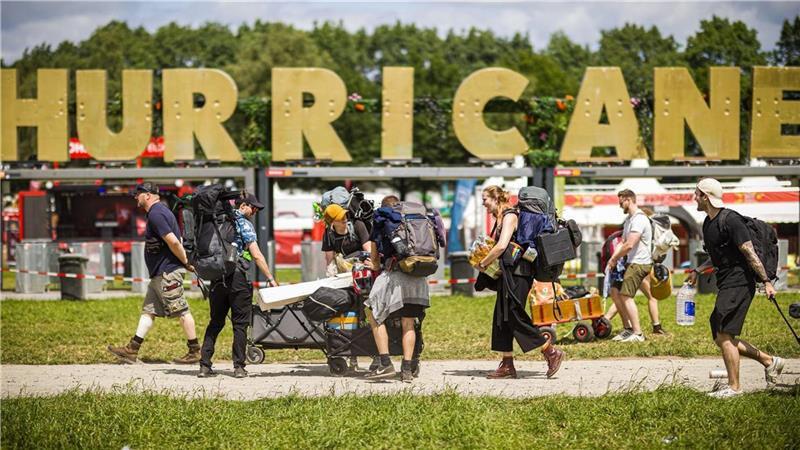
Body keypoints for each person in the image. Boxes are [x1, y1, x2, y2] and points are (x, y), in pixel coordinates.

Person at [689, 178, 783, 398]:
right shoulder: (708, 223)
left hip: (740, 281)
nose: (694, 197)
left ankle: (734, 388)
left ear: (706, 196)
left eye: (696, 193)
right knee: (720, 334)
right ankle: (769, 361)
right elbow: (717, 257)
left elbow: (749, 253)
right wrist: (698, 270)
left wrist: (767, 281)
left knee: (724, 333)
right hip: (726, 281)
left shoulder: (731, 220)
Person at [476, 185, 564, 379]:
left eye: (485, 199)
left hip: (519, 273)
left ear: (496, 198)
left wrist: (483, 262)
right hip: (508, 273)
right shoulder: (501, 218)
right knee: (502, 317)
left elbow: (501, 246)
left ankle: (550, 351)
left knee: (514, 314)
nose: (483, 203)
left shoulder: (510, 216)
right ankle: (507, 364)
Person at [107, 182, 200, 364]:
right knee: (148, 311)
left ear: (147, 195)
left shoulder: (157, 213)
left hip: (167, 273)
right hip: (160, 274)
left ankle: (195, 351)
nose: (136, 197)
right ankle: (132, 350)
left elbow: (174, 242)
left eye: (138, 194)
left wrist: (186, 262)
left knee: (181, 310)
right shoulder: (161, 211)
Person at [198, 192, 278, 378]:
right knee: (240, 324)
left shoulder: (216, 221)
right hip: (237, 278)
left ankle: (204, 365)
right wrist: (270, 278)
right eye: (253, 207)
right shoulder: (243, 224)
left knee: (215, 323)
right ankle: (239, 367)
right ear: (242, 206)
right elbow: (256, 254)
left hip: (217, 278)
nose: (255, 211)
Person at [364, 194, 428, 382]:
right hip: (418, 276)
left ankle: (385, 363)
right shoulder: (414, 220)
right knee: (408, 322)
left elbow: (375, 261)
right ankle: (406, 370)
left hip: (395, 276)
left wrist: (374, 264)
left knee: (373, 312)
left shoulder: (382, 219)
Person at [605, 189, 651, 342]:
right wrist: (612, 259)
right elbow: (623, 243)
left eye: (621, 202)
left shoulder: (639, 219)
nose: (620, 206)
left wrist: (614, 259)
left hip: (639, 263)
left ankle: (638, 334)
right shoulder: (629, 221)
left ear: (628, 199)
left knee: (626, 296)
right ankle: (628, 329)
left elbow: (630, 245)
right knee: (616, 293)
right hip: (630, 262)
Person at [322, 204, 371, 273]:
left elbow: (369, 250)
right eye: (340, 217)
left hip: (363, 265)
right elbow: (330, 261)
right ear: (332, 222)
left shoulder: (357, 224)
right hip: (344, 270)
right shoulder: (328, 234)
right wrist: (331, 274)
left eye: (344, 214)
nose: (344, 218)